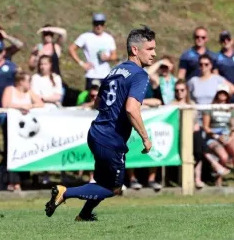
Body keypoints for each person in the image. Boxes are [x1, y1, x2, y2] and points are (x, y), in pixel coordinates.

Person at [45, 26, 155, 221]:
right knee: (113, 188)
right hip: (111, 139)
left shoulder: (114, 71)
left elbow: (98, 102)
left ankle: (84, 215)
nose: (154, 54)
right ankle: (64, 192)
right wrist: (145, 138)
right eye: (150, 49)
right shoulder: (139, 75)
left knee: (102, 181)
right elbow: (131, 108)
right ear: (135, 50)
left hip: (96, 132)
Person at [202, 84, 234, 187]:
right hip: (212, 136)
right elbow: (206, 127)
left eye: (224, 93)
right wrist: (216, 136)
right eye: (220, 93)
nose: (222, 95)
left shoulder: (231, 109)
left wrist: (231, 137)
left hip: (226, 135)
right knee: (223, 156)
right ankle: (218, 180)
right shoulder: (210, 108)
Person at [68, 13, 117, 89]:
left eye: (101, 23)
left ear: (104, 24)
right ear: (93, 24)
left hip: (105, 75)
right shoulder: (85, 36)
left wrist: (107, 58)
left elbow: (114, 56)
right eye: (96, 23)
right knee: (91, 99)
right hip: (91, 75)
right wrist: (82, 63)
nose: (99, 26)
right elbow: (71, 49)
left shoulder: (109, 38)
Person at [171, 79, 204, 189]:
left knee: (198, 144)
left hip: (192, 134)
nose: (179, 92)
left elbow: (197, 121)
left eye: (182, 90)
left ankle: (197, 178)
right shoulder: (171, 105)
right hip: (177, 136)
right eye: (177, 90)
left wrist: (195, 126)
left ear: (186, 91)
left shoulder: (192, 104)